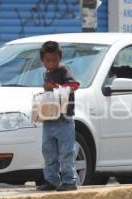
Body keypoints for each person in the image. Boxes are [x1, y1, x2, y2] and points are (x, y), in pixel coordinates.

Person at [37, 41, 80, 191]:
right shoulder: (46, 74)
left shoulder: (63, 71)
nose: (51, 63)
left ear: (60, 58)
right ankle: (51, 180)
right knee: (48, 151)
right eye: (48, 60)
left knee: (66, 152)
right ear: (42, 61)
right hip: (49, 119)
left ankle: (69, 181)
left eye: (54, 60)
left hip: (64, 120)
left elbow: (74, 86)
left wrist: (54, 87)